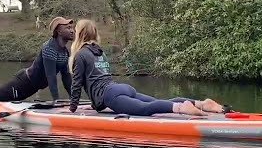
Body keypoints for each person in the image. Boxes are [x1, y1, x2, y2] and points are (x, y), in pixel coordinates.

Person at [68, 19, 224, 116]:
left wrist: (73, 108)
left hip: (111, 95)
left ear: (79, 34)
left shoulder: (81, 55)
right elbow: (98, 80)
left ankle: (182, 108)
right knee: (158, 101)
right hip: (121, 88)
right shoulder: (100, 53)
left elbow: (77, 84)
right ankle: (202, 104)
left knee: (146, 109)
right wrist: (94, 105)